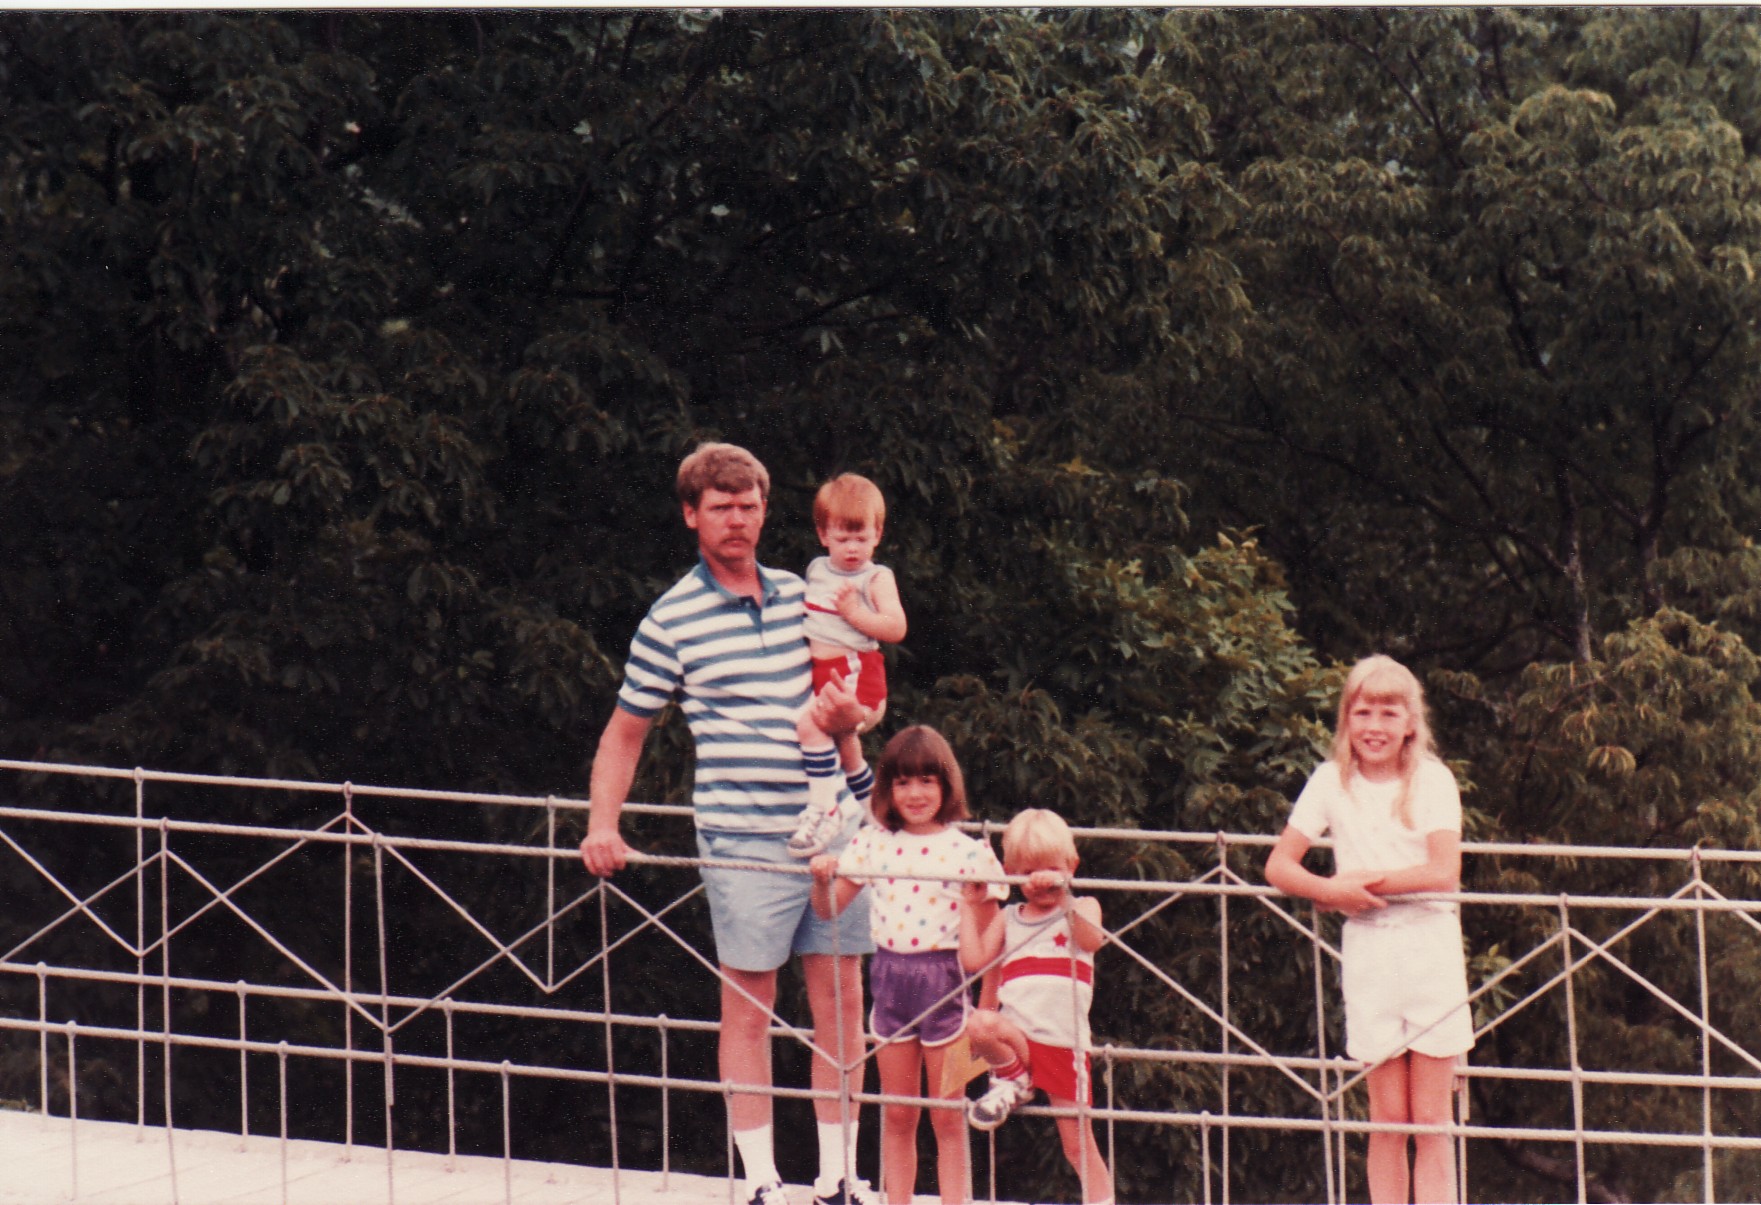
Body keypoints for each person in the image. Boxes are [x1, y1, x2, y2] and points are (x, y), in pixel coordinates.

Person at [579, 442, 879, 1205]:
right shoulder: (670, 618)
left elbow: (859, 687)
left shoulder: (807, 591)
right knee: (749, 1006)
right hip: (743, 835)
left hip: (835, 827)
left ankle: (839, 1177)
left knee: (843, 1000)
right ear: (692, 514)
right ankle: (760, 1182)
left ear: (765, 510)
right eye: (721, 507)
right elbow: (625, 732)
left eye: (748, 505)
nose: (737, 519)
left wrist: (853, 720)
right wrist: (601, 824)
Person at [1264, 654, 1474, 1205]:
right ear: (1346, 720)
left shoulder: (1432, 779)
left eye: (1388, 713)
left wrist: (1363, 885)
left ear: (1410, 723)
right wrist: (1328, 889)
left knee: (1431, 1120)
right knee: (1387, 1118)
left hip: (1429, 951)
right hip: (1369, 956)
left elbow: (1443, 871)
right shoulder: (1330, 780)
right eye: (1362, 713)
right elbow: (1279, 865)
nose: (1374, 727)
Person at [808, 726, 1007, 1205]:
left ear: (946, 786)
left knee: (948, 1116)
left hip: (948, 990)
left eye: (926, 781)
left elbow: (993, 938)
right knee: (898, 1114)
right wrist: (819, 878)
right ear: (887, 790)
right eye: (902, 782)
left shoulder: (969, 851)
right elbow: (827, 909)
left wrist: (987, 1010)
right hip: (890, 983)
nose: (915, 794)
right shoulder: (872, 842)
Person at [958, 809, 1113, 1205]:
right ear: (1011, 872)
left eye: (1050, 869)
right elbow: (974, 961)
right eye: (1028, 872)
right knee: (979, 1024)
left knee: (1077, 1146)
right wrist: (968, 905)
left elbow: (1091, 940)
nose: (1040, 880)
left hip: (1063, 1044)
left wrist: (1064, 895)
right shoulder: (1009, 917)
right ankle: (1014, 1079)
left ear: (1071, 866)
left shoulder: (1083, 907)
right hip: (1019, 1041)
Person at [789, 473, 907, 859]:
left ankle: (825, 810)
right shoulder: (817, 569)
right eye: (843, 539)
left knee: (810, 726)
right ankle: (875, 814)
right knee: (846, 747)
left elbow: (896, 628)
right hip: (825, 675)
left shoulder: (875, 577)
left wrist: (855, 613)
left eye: (861, 538)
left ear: (878, 534)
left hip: (855, 673)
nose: (853, 548)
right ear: (823, 535)